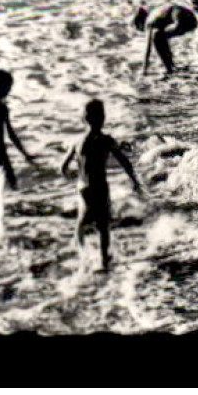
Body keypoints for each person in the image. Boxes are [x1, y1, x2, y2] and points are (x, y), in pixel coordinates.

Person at [60, 99, 142, 271]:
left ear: (84, 119)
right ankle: (103, 261)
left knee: (82, 221)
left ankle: (81, 254)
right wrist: (134, 180)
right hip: (100, 186)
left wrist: (72, 175)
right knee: (103, 225)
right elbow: (124, 161)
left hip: (83, 187)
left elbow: (63, 167)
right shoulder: (106, 140)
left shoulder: (77, 142)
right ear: (103, 118)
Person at [0, 69, 37, 211]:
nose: (9, 91)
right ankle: (17, 210)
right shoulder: (1, 106)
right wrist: (25, 154)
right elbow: (10, 134)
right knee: (12, 182)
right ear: (3, 86)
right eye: (9, 87)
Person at [134, 3, 198, 77]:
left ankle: (169, 69)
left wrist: (144, 70)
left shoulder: (148, 22)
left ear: (140, 23)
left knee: (157, 37)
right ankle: (171, 66)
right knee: (161, 37)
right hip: (192, 18)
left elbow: (148, 49)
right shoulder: (155, 13)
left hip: (178, 15)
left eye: (141, 29)